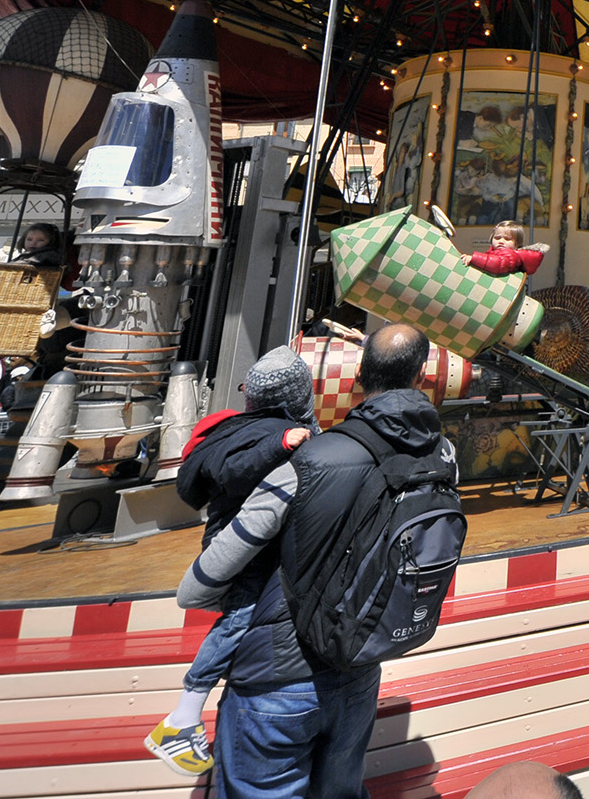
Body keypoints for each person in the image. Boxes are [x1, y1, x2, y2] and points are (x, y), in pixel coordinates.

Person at [177, 323, 458, 796]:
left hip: (278, 675)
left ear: (356, 380)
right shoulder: (444, 458)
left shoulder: (312, 458)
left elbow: (202, 583)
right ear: (421, 378)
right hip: (361, 662)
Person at [145, 347, 317, 775]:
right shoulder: (270, 435)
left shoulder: (229, 426)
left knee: (240, 617)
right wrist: (283, 442)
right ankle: (183, 715)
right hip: (245, 550)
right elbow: (236, 471)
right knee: (238, 619)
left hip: (230, 540)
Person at [468, 220, 547, 277]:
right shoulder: (492, 253)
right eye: (497, 238)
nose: (501, 241)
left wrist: (474, 258)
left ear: (517, 244)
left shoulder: (512, 255)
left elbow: (498, 264)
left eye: (507, 239)